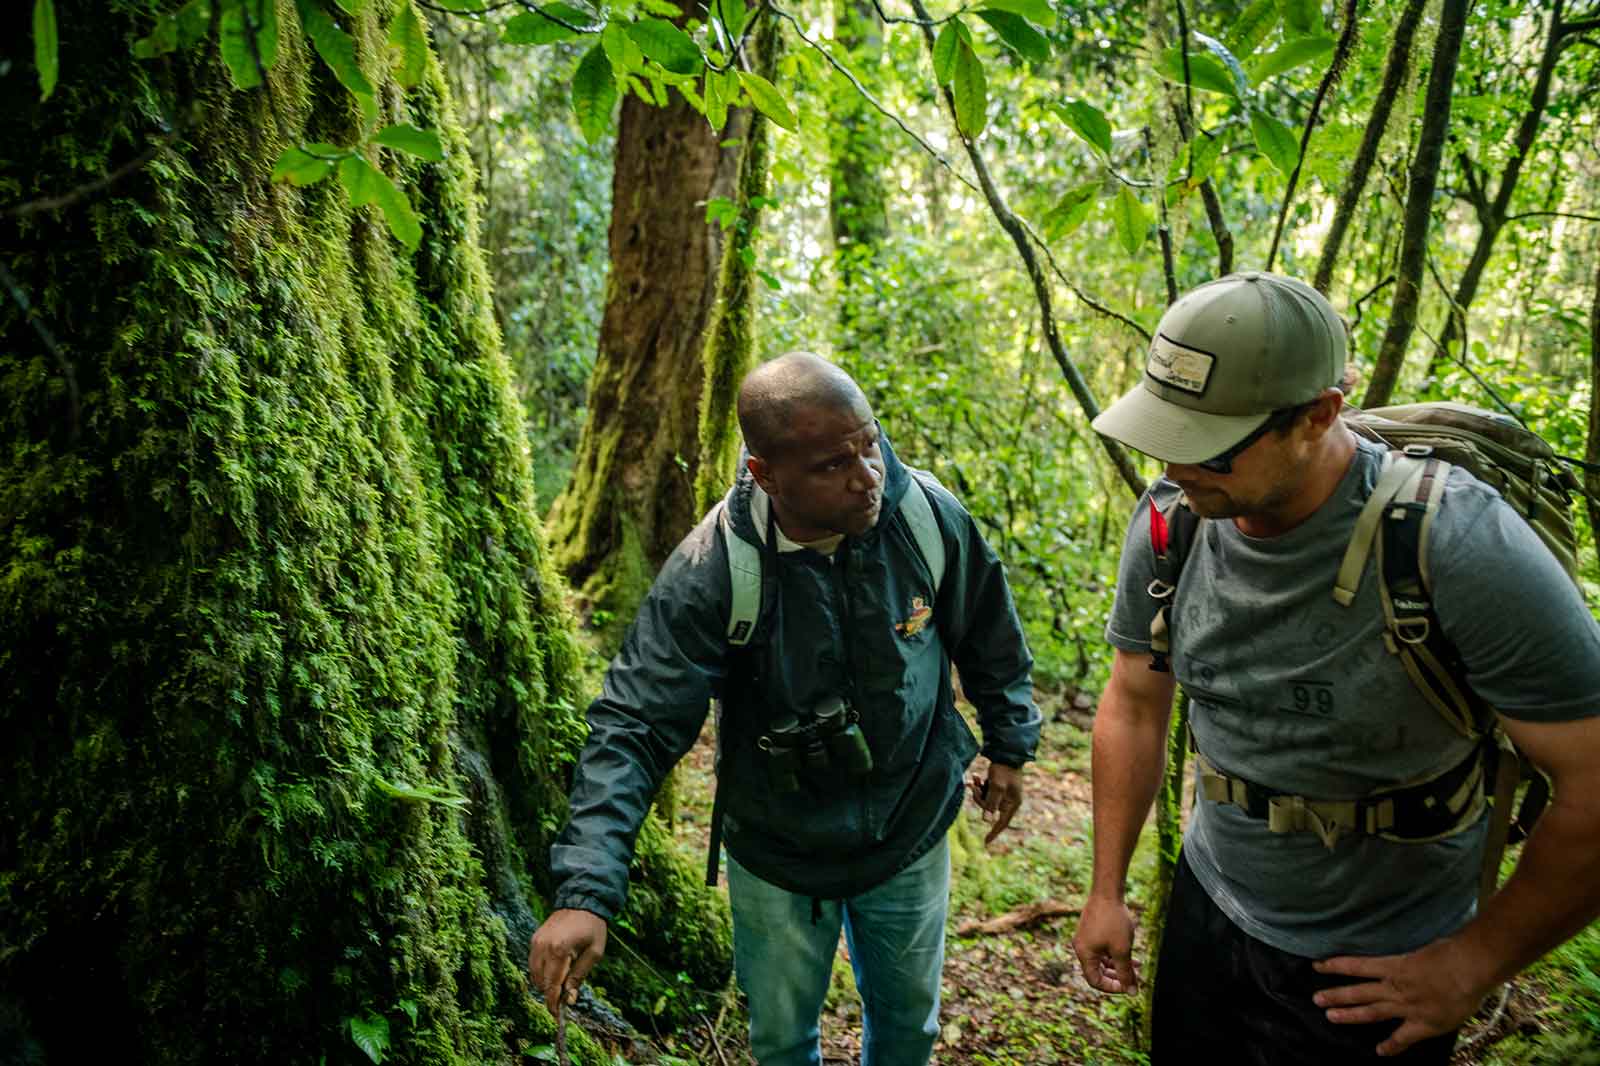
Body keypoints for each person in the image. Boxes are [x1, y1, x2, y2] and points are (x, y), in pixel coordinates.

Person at [1071, 272, 1600, 1064]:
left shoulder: (1454, 544)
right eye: (1163, 434)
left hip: (1380, 961)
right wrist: (1106, 889)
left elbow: (1593, 779)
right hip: (1213, 911)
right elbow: (1134, 702)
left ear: (1318, 415)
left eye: (1208, 444)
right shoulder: (1170, 521)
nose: (1177, 467)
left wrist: (1474, 964)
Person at [529, 351, 1041, 1066]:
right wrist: (586, 891)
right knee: (779, 1044)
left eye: (870, 444)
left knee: (908, 1035)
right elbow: (635, 725)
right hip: (776, 850)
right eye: (834, 464)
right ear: (766, 474)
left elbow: (988, 630)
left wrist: (1010, 745)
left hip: (910, 827)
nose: (868, 477)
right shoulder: (714, 570)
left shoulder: (924, 518)